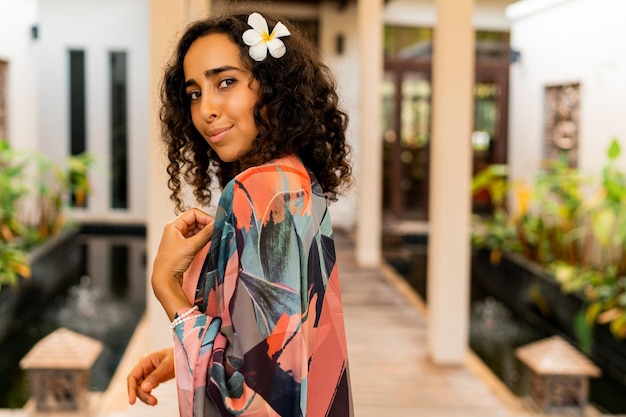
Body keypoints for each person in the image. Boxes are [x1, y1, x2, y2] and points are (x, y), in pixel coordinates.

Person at [127, 9, 353, 417]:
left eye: (225, 82)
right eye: (194, 93)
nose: (206, 109)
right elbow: (288, 357)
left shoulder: (255, 193)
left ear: (271, 89)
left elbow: (249, 400)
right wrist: (180, 355)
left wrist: (168, 288)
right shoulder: (295, 180)